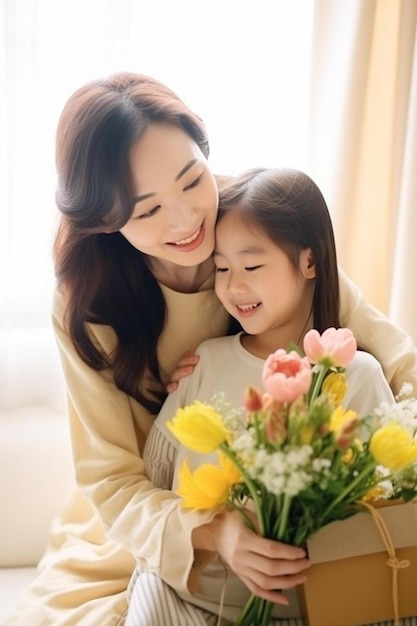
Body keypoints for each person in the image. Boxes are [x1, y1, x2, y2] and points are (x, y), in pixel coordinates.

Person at [3, 72, 417, 626]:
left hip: (292, 521)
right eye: (147, 211)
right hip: (155, 523)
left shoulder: (257, 222)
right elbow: (113, 481)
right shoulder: (88, 305)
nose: (186, 219)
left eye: (192, 179)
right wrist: (214, 530)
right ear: (107, 221)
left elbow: (397, 365)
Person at [125, 167, 396, 626]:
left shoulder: (358, 375)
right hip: (193, 596)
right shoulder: (203, 364)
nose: (233, 286)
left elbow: (389, 506)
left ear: (309, 263)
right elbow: (155, 482)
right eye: (222, 269)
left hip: (317, 603)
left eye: (251, 267)